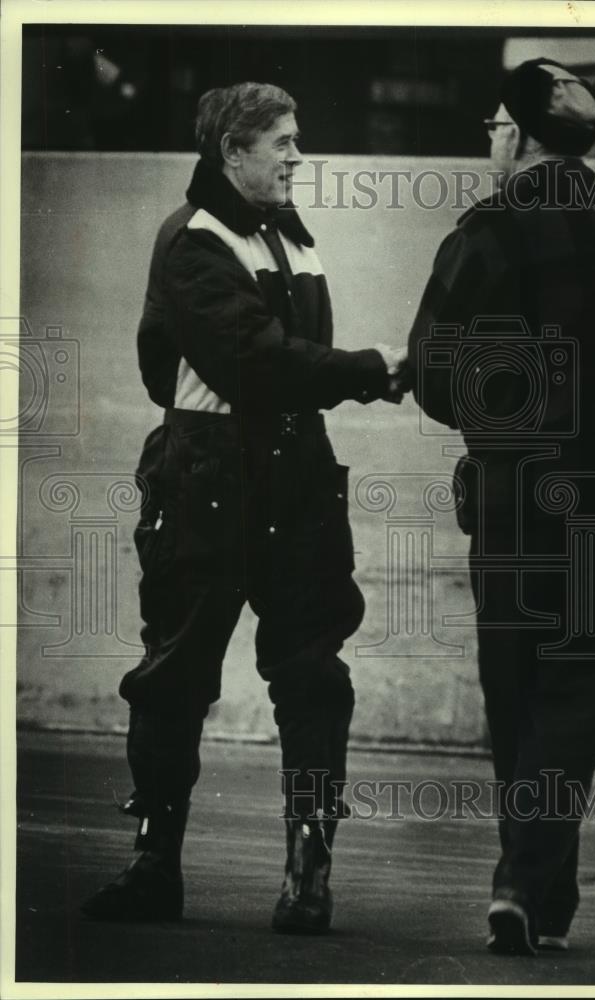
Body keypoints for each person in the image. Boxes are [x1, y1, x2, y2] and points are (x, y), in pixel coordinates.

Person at [82, 82, 409, 932]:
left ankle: (309, 877)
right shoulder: (196, 241)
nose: (299, 156)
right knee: (174, 678)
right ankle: (154, 867)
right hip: (209, 485)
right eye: (284, 143)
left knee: (312, 677)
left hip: (292, 479)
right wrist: (372, 368)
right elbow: (259, 366)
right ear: (233, 150)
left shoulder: (293, 240)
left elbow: (287, 367)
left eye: (298, 141)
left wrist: (358, 375)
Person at [407, 59, 595, 955]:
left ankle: (523, 880)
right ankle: (541, 894)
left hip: (518, 502)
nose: (489, 137)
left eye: (492, 124)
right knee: (578, 688)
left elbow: (436, 378)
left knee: (519, 694)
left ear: (517, 136)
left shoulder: (487, 230)